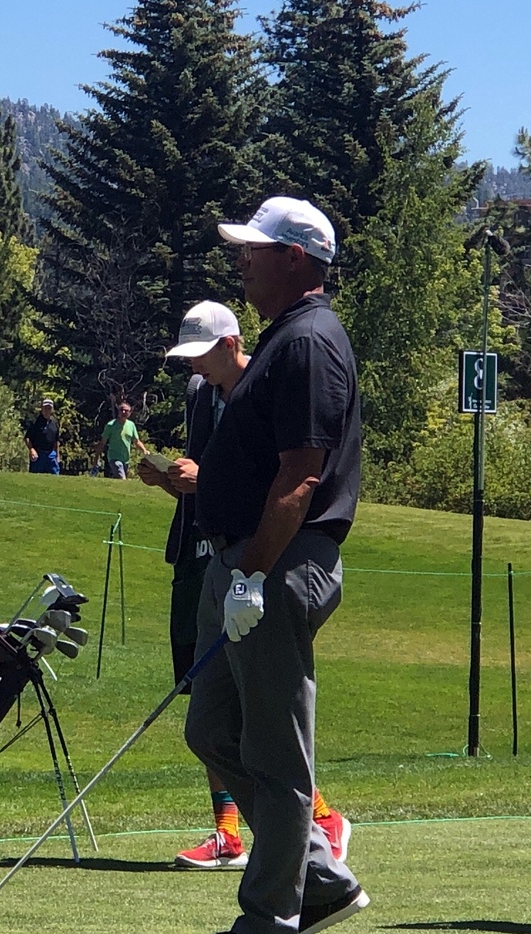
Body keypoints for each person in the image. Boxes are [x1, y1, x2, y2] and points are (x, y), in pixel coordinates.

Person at [170, 196, 366, 934]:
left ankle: (267, 927)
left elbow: (300, 476)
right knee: (210, 730)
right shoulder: (286, 339)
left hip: (278, 563)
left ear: (296, 258)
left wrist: (251, 575)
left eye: (255, 248)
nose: (243, 259)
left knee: (277, 752)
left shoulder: (311, 342)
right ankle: (316, 878)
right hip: (246, 563)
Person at [139, 300, 350, 871]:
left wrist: (251, 572)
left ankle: (315, 839)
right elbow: (222, 486)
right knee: (208, 722)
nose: (194, 369)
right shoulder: (201, 397)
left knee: (267, 724)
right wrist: (175, 481)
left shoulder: (271, 382)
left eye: (201, 356)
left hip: (265, 563)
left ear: (230, 345)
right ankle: (269, 842)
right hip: (209, 558)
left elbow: (287, 480)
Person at [94, 400, 147, 479]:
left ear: (130, 413)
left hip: (125, 459)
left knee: (120, 480)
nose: (123, 412)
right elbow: (102, 443)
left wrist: (144, 451)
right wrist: (96, 458)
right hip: (114, 457)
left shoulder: (131, 425)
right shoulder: (111, 425)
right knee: (122, 478)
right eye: (121, 410)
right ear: (118, 411)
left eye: (126, 410)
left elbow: (136, 441)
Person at [25, 399, 60, 474]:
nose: (47, 410)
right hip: (38, 454)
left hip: (51, 454)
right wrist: (31, 450)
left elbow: (56, 441)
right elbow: (27, 438)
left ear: (52, 409)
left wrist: (57, 456)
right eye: (45, 408)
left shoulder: (55, 422)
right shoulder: (35, 422)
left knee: (55, 476)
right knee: (36, 478)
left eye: (49, 408)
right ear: (42, 408)